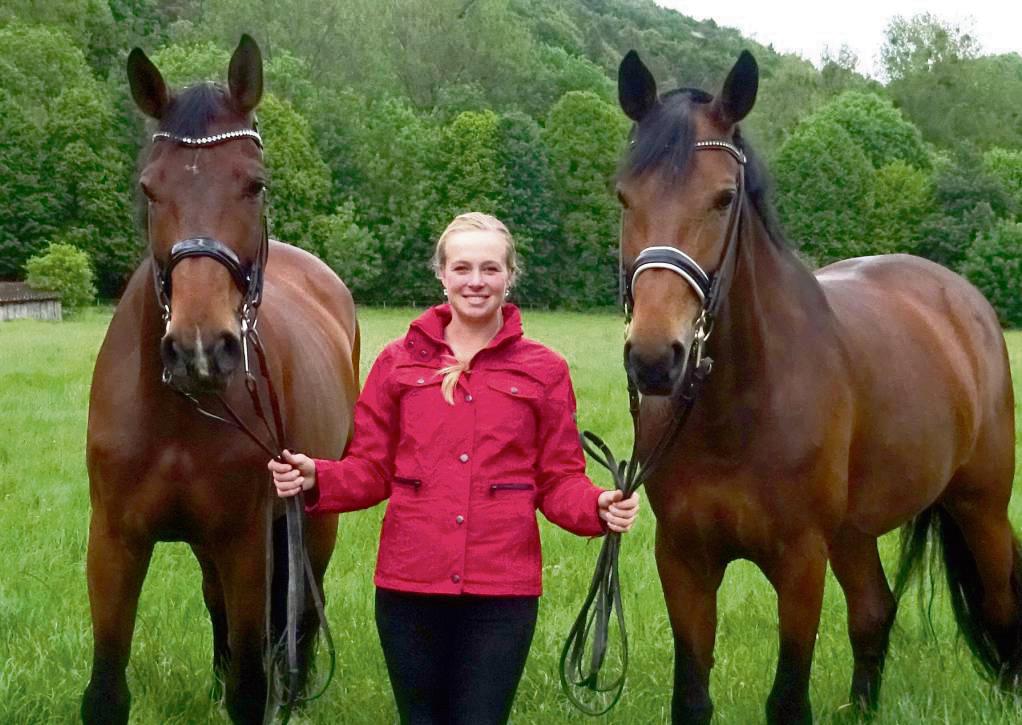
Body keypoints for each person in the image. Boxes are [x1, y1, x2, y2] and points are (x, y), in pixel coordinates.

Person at [268, 212, 640, 725]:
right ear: (441, 274)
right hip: (408, 589)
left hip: (501, 596)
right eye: (462, 267)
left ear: (510, 276)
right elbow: (371, 470)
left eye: (490, 268)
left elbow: (558, 482)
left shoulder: (544, 370)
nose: (475, 281)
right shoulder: (397, 364)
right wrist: (318, 478)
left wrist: (596, 506)